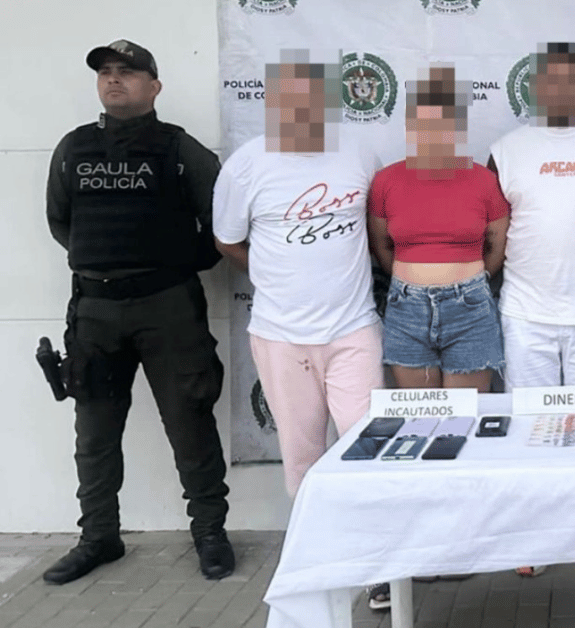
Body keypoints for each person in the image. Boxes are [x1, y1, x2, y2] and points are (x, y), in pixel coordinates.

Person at [42, 40, 233, 584]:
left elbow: (223, 225)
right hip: (96, 310)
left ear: (154, 86)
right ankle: (99, 537)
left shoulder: (180, 149)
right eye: (106, 71)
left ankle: (210, 533)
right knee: (94, 433)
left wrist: (170, 266)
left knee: (190, 424)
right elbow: (61, 223)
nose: (114, 79)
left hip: (167, 307)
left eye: (127, 71)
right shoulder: (73, 148)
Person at [365, 65, 509, 604]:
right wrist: (415, 284)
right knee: (419, 430)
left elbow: (496, 246)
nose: (433, 133)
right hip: (406, 310)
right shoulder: (387, 181)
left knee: (460, 429)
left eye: (443, 123)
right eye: (423, 123)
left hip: (470, 310)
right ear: (410, 127)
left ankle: (457, 543)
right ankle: (419, 545)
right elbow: (383, 247)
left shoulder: (482, 181)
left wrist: (463, 285)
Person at [212, 53, 384, 500]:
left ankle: (369, 542)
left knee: (368, 449)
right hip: (281, 336)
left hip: (353, 330)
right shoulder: (245, 165)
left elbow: (374, 230)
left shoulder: (360, 154)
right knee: (302, 458)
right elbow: (227, 241)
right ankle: (317, 545)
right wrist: (273, 275)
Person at [488, 42, 575, 391]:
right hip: (525, 315)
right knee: (529, 418)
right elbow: (492, 234)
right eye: (551, 81)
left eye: (570, 81)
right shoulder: (505, 151)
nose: (560, 90)